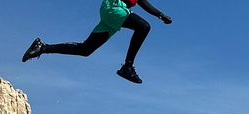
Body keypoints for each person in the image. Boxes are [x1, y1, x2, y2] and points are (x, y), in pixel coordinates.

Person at [22, 0, 172, 84]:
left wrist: (160, 14)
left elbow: (143, 2)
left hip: (112, 15)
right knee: (143, 27)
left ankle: (41, 48)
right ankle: (128, 66)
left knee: (85, 50)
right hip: (114, 8)